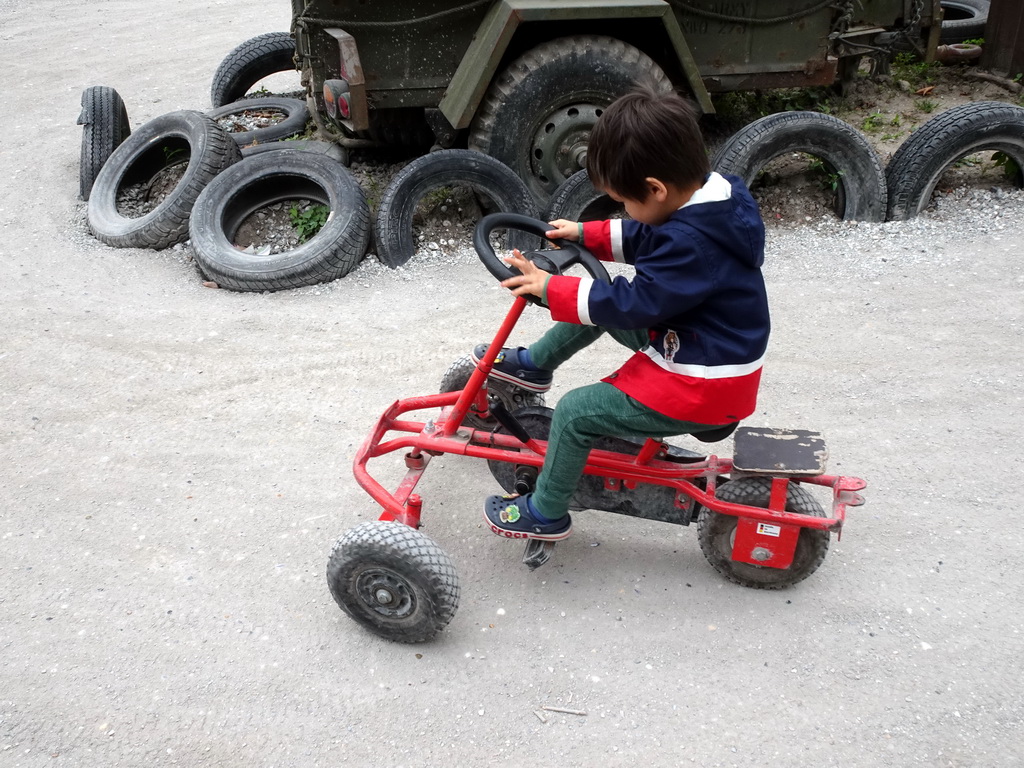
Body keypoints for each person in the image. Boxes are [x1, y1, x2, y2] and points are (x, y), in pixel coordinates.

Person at [478, 87, 769, 542]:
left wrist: (551, 287)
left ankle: (545, 512)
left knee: (575, 412)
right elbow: (647, 233)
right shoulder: (714, 198)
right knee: (603, 303)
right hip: (707, 349)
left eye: (624, 200)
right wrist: (584, 234)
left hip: (700, 382)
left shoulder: (689, 244)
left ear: (655, 189)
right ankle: (534, 367)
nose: (625, 210)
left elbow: (633, 301)